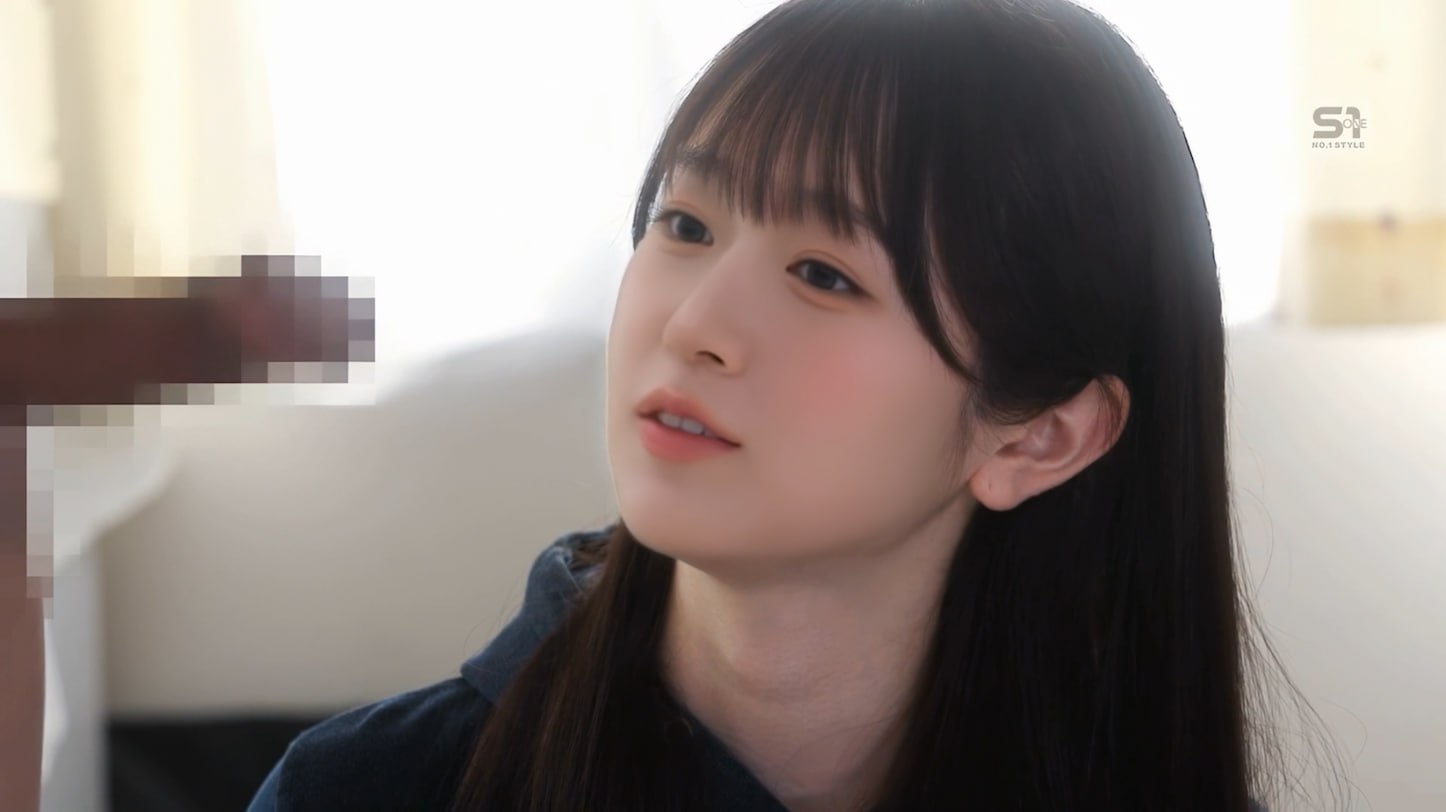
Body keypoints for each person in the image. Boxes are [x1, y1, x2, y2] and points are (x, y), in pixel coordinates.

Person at [250, 0, 1350, 809]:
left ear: (1040, 436)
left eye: (825, 275)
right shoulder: (363, 790)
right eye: (685, 225)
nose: (695, 323)